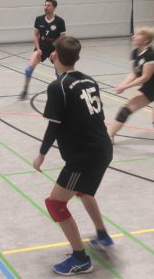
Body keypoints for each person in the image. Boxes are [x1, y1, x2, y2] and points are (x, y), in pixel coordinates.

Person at [33, 36, 113, 276]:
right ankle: (102, 235)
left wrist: (41, 154)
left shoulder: (57, 87)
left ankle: (80, 259)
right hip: (103, 147)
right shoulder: (89, 80)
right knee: (83, 191)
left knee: (55, 204)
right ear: (77, 57)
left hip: (84, 156)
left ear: (55, 55)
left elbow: (53, 126)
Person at [109, 27, 154, 141]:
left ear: (146, 40)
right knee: (125, 111)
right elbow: (133, 73)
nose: (134, 36)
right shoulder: (135, 53)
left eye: (138, 35)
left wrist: (125, 86)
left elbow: (145, 77)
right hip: (149, 88)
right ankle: (109, 137)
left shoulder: (150, 55)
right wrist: (122, 85)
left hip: (149, 85)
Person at [20, 0, 66, 99]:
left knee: (59, 73)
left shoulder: (60, 21)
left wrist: (56, 51)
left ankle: (61, 92)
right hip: (42, 47)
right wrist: (38, 49)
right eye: (45, 5)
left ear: (54, 7)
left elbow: (62, 38)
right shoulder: (39, 19)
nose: (46, 7)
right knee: (28, 70)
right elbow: (35, 35)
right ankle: (25, 90)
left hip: (55, 48)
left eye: (48, 5)